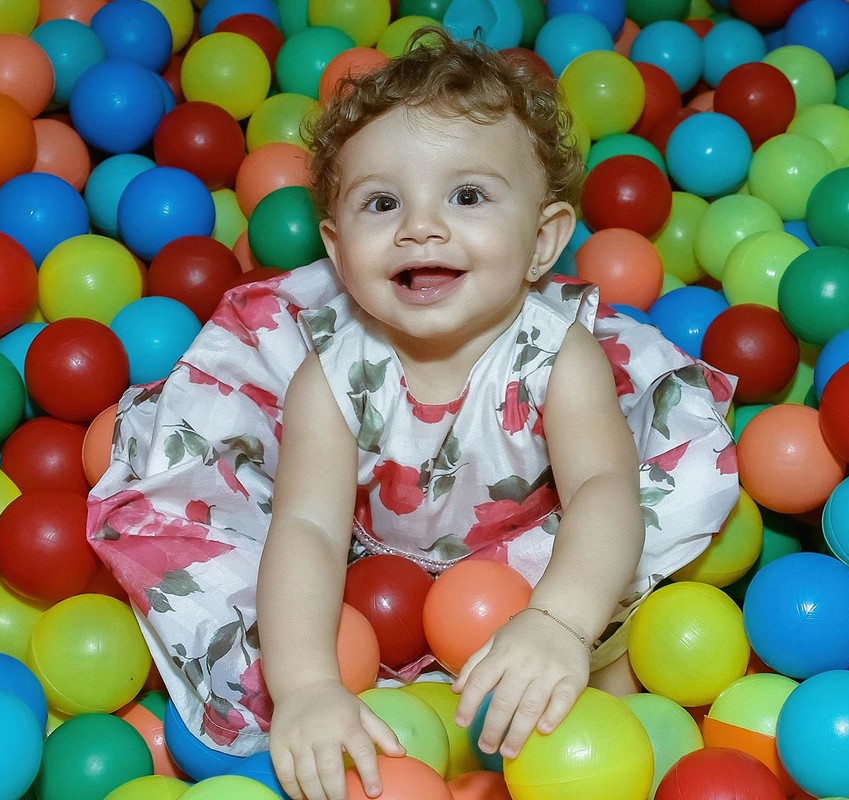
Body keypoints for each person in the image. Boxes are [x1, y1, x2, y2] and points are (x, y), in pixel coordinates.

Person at [87, 28, 739, 800]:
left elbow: (602, 487)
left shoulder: (558, 355)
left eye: (467, 196)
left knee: (611, 610)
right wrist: (305, 690)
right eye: (382, 202)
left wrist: (559, 624)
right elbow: (308, 530)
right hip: (373, 567)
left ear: (543, 241)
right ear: (337, 248)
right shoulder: (332, 374)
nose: (419, 226)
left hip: (536, 549)